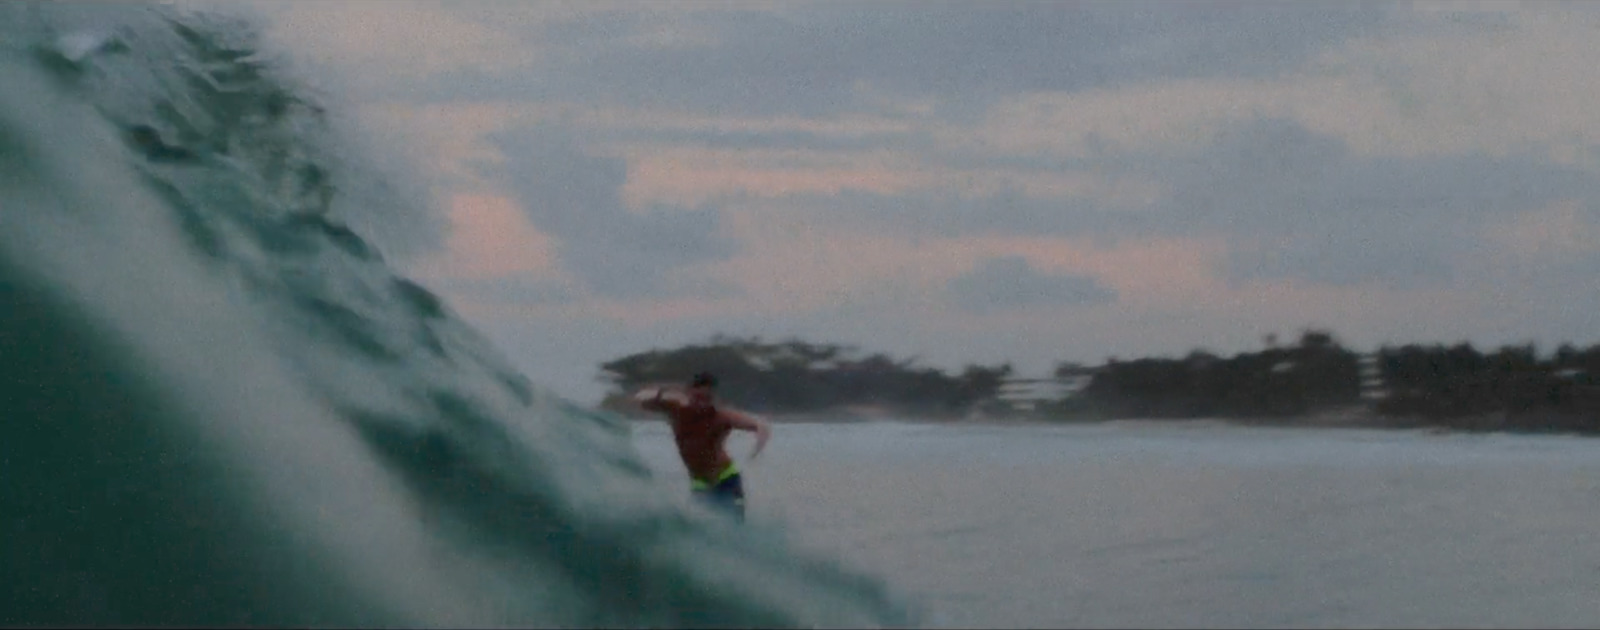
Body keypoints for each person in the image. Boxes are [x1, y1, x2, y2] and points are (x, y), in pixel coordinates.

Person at [633, 372, 771, 522]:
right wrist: (665, 392)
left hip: (726, 480)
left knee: (734, 527)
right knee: (701, 531)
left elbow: (760, 425)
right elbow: (640, 398)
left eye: (707, 399)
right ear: (688, 394)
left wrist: (758, 445)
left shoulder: (721, 417)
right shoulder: (675, 410)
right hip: (700, 483)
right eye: (698, 398)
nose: (702, 404)